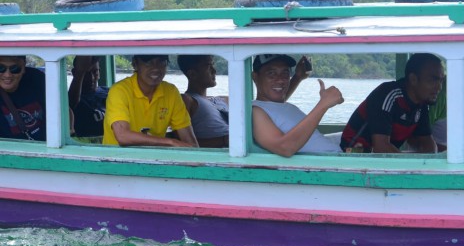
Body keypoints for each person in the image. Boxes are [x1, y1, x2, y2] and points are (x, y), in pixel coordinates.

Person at [177, 54, 311, 148]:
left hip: (253, 146)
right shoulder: (187, 100)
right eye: (208, 66)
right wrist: (226, 140)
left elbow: (266, 105)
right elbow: (180, 141)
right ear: (192, 74)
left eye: (213, 65)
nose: (214, 70)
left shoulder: (222, 100)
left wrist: (298, 77)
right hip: (229, 153)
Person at [340, 53, 444, 153]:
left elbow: (429, 147)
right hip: (351, 153)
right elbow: (381, 148)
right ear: (413, 79)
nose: (439, 87)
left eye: (441, 81)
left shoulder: (421, 104)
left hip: (379, 158)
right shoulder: (388, 95)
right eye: (432, 80)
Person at [251, 54, 343, 157]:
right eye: (271, 73)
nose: (280, 80)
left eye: (285, 73)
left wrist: (298, 77)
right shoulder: (256, 111)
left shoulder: (276, 104)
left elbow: (279, 98)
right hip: (327, 164)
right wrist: (323, 104)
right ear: (255, 77)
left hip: (337, 156)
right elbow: (284, 148)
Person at [103, 55, 198, 147]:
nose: (156, 68)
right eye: (148, 62)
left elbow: (191, 144)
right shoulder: (120, 90)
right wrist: (171, 142)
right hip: (114, 157)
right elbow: (123, 136)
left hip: (154, 157)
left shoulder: (171, 92)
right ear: (135, 64)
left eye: (161, 62)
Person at [0, 55, 46, 141]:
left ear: (23, 68)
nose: (7, 75)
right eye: (1, 68)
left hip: (46, 144)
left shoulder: (37, 79)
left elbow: (61, 107)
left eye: (15, 69)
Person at [69, 56, 108, 137]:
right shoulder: (69, 99)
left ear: (99, 72)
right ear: (75, 73)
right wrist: (80, 72)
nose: (91, 77)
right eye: (86, 73)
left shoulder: (109, 92)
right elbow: (71, 103)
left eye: (95, 72)